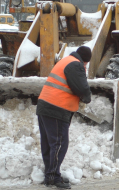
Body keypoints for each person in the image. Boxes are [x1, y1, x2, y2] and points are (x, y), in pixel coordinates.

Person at [36, 46, 92, 189]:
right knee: (59, 143)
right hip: (57, 108)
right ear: (85, 61)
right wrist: (87, 97)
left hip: (44, 106)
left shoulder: (66, 60)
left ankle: (51, 174)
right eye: (86, 64)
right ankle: (52, 176)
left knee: (49, 143)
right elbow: (81, 87)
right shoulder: (76, 64)